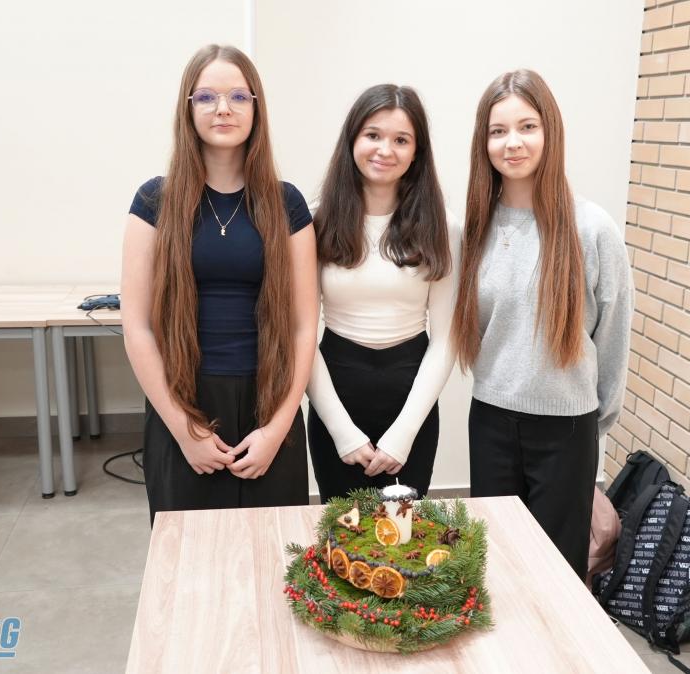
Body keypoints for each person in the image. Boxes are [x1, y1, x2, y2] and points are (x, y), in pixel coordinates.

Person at [120, 45, 318, 522]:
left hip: (268, 404)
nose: (223, 108)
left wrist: (276, 429)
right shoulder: (154, 202)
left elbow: (303, 328)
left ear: (256, 107)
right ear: (188, 109)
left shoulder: (287, 204)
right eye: (207, 97)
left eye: (238, 97)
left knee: (273, 552)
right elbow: (137, 327)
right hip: (182, 403)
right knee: (189, 557)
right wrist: (183, 429)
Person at [452, 70, 632, 578]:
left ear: (550, 131)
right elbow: (478, 327)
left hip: (566, 429)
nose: (512, 142)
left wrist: (591, 431)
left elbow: (613, 339)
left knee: (556, 574)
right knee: (495, 565)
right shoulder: (476, 227)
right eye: (498, 131)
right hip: (490, 421)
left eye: (527, 127)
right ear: (483, 142)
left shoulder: (592, 229)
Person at [305, 84, 460, 502]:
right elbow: (302, 335)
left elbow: (446, 339)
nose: (385, 150)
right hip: (335, 396)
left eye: (401, 140)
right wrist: (341, 431)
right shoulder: (316, 222)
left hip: (411, 401)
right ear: (352, 139)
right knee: (340, 529)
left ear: (416, 152)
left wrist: (404, 434)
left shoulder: (442, 226)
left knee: (406, 534)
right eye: (373, 135)